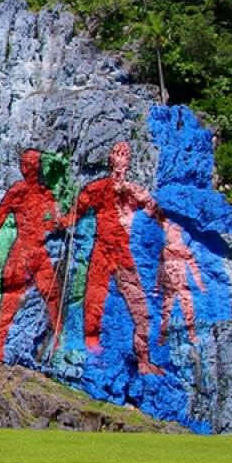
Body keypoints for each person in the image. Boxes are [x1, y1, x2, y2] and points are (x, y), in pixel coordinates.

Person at [67, 142, 165, 375]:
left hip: (122, 255)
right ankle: (91, 353)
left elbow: (157, 213)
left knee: (140, 310)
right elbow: (74, 214)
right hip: (101, 251)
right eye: (116, 154)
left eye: (124, 155)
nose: (120, 159)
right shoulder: (97, 189)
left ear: (128, 162)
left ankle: (143, 361)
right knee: (93, 302)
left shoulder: (133, 192)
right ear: (111, 159)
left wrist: (167, 232)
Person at [0, 150, 64, 361]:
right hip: (21, 250)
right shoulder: (17, 191)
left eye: (34, 164)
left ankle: (58, 340)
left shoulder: (45, 193)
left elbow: (56, 220)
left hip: (39, 250)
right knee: (11, 297)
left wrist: (57, 220)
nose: (31, 168)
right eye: (27, 164)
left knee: (52, 294)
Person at [158, 219, 206, 343]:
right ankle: (162, 337)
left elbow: (193, 267)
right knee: (166, 311)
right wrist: (157, 287)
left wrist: (200, 285)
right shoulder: (165, 251)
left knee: (187, 309)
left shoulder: (183, 250)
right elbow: (160, 270)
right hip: (170, 285)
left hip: (181, 284)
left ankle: (191, 335)